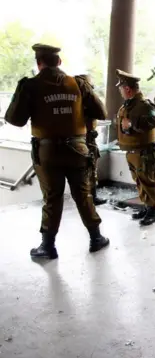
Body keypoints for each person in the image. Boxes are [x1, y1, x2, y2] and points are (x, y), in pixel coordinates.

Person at [4, 43, 110, 259]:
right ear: (59, 62)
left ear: (38, 63)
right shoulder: (78, 83)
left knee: (52, 197)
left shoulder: (31, 85)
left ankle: (48, 246)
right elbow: (101, 111)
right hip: (78, 149)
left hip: (48, 152)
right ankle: (96, 237)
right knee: (83, 194)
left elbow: (15, 119)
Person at [115, 69, 155, 226]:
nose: (120, 91)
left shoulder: (143, 105)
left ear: (127, 89)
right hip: (132, 151)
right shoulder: (129, 105)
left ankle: (152, 211)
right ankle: (146, 207)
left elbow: (153, 122)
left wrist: (132, 125)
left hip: (143, 152)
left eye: (121, 88)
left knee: (147, 180)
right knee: (139, 181)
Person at [78, 74, 107, 206]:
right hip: (86, 139)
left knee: (88, 169)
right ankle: (90, 197)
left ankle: (89, 196)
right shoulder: (85, 102)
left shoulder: (75, 101)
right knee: (89, 168)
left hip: (83, 138)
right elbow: (102, 112)